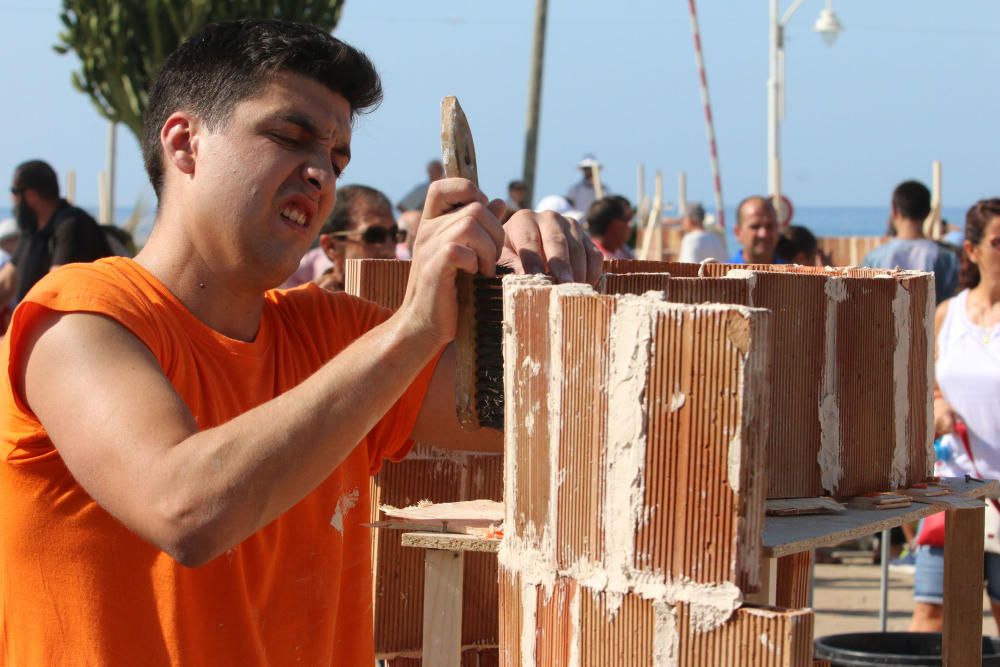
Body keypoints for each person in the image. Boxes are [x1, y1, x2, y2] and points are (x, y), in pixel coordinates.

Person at [0, 19, 603, 666]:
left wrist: (531, 288)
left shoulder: (332, 335)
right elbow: (186, 510)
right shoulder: (75, 320)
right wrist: (413, 327)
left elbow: (543, 411)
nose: (320, 173)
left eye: (337, 159)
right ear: (185, 143)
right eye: (290, 136)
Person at [909, 198, 1000, 633]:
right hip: (951, 487)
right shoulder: (947, 314)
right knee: (931, 614)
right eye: (999, 242)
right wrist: (937, 406)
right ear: (972, 250)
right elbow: (925, 388)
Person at [0, 160, 113, 304]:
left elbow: (55, 291)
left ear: (31, 195)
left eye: (14, 192)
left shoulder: (72, 225)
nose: (11, 198)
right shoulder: (32, 231)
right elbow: (6, 283)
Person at [861, 180, 959, 303]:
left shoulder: (874, 259)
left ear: (894, 210)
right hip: (934, 322)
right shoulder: (947, 259)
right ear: (928, 211)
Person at [313, 184, 401, 292]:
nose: (389, 250)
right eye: (374, 235)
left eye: (394, 234)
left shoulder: (410, 299)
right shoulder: (301, 305)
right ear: (331, 247)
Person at [728, 195, 784, 264]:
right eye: (755, 227)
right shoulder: (723, 273)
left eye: (769, 226)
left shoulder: (795, 274)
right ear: (738, 232)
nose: (763, 234)